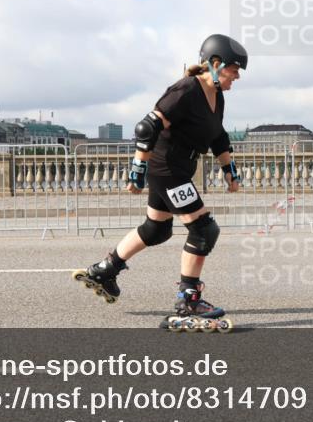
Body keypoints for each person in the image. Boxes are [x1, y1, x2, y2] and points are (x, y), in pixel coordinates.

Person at [74, 34, 247, 332]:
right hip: (167, 169)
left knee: (157, 229)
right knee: (204, 230)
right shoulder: (185, 90)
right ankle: (188, 300)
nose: (237, 76)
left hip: (177, 167)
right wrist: (137, 170)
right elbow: (148, 126)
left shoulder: (216, 96)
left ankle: (105, 270)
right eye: (234, 69)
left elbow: (218, 136)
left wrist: (229, 170)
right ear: (216, 64)